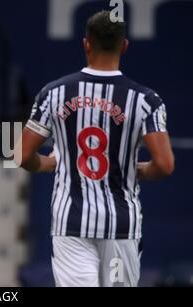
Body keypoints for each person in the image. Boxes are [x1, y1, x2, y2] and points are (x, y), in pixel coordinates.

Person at [14, 11, 174, 287]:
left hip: (70, 223)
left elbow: (21, 155)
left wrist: (50, 164)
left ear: (86, 43)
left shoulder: (54, 93)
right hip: (120, 225)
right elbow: (164, 165)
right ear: (124, 46)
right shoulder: (146, 101)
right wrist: (138, 171)